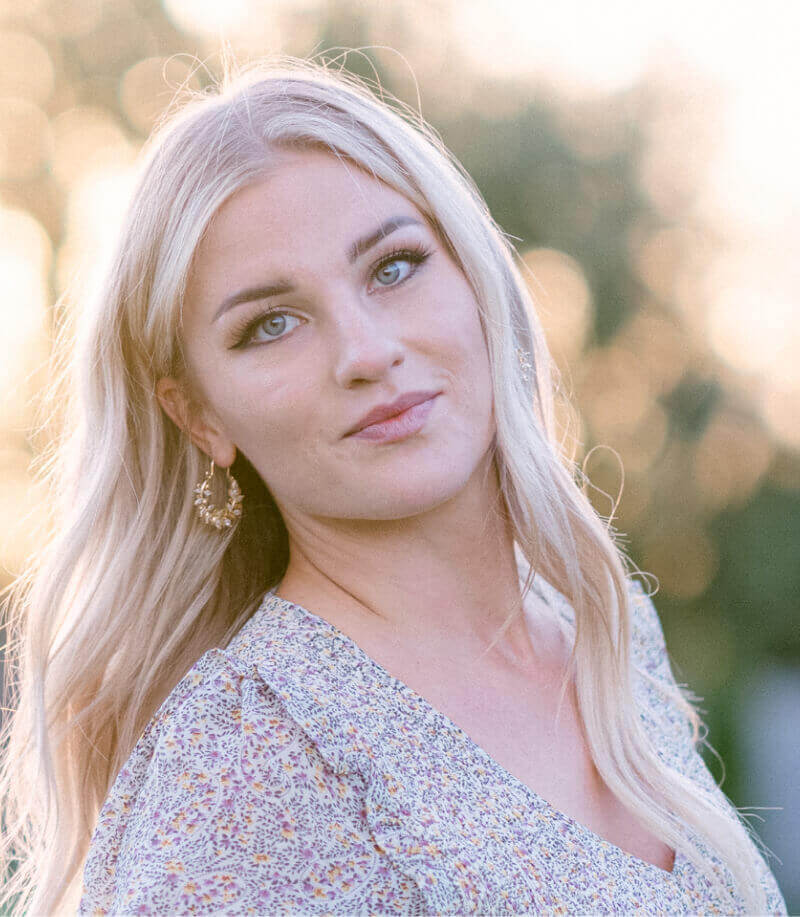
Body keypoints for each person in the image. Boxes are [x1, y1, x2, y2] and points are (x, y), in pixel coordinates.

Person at [0, 57, 787, 916]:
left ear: (475, 277)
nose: (367, 351)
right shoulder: (240, 769)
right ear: (199, 417)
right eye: (271, 324)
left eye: (394, 266)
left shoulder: (606, 629)